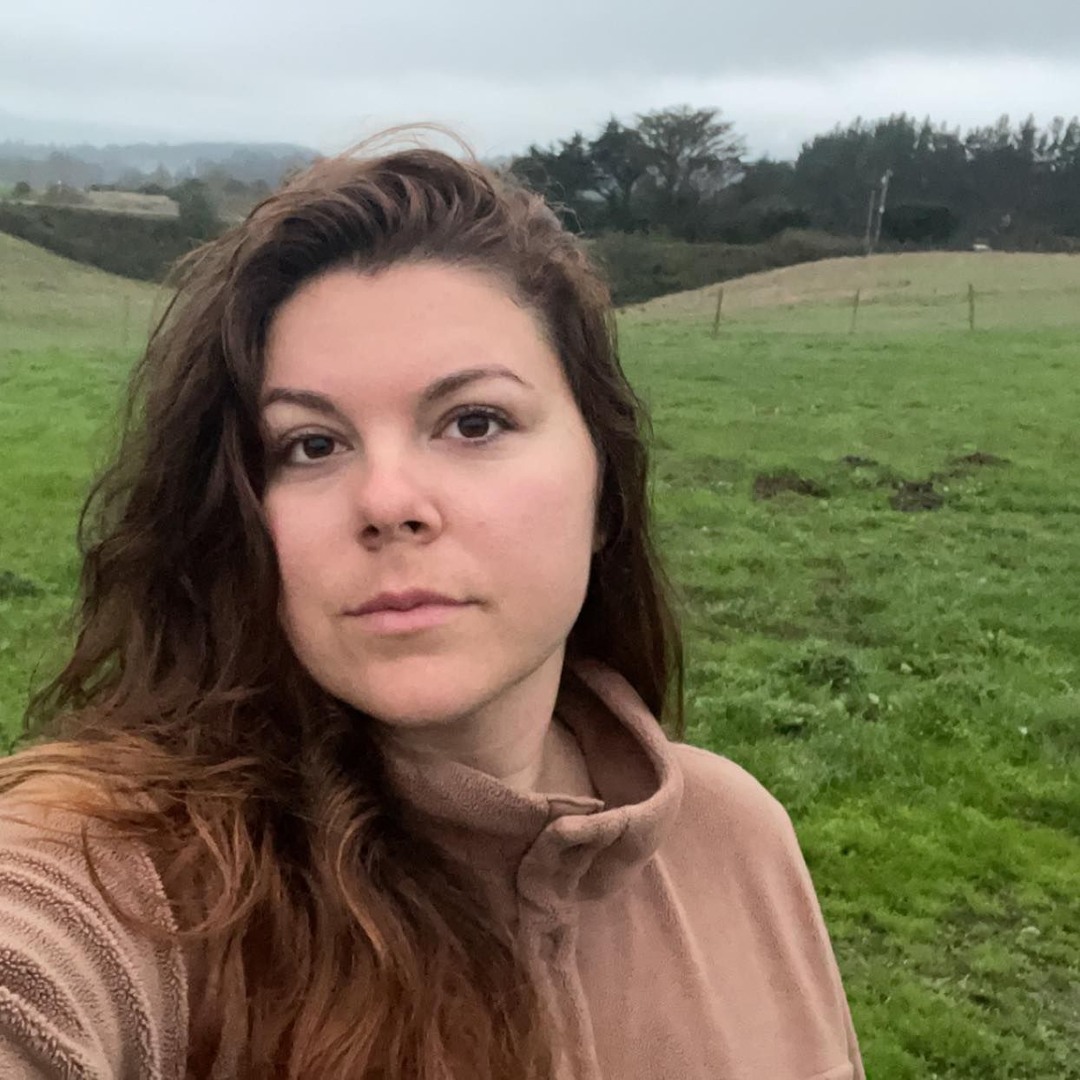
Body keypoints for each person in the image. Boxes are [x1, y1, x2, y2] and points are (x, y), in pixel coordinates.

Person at [0, 140, 864, 1080]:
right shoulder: (134, 884)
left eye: (474, 422)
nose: (386, 501)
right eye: (312, 444)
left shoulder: (737, 839)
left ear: (605, 490)